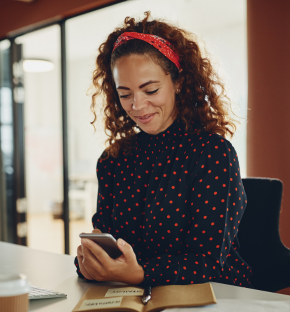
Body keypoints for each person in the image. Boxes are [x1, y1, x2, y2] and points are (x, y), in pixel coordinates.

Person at [75, 12, 252, 288]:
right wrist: (92, 260)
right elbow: (106, 242)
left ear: (178, 82)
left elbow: (207, 261)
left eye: (151, 90)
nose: (137, 105)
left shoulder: (213, 154)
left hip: (212, 295)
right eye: (125, 94)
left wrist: (139, 273)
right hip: (132, 295)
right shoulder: (113, 160)